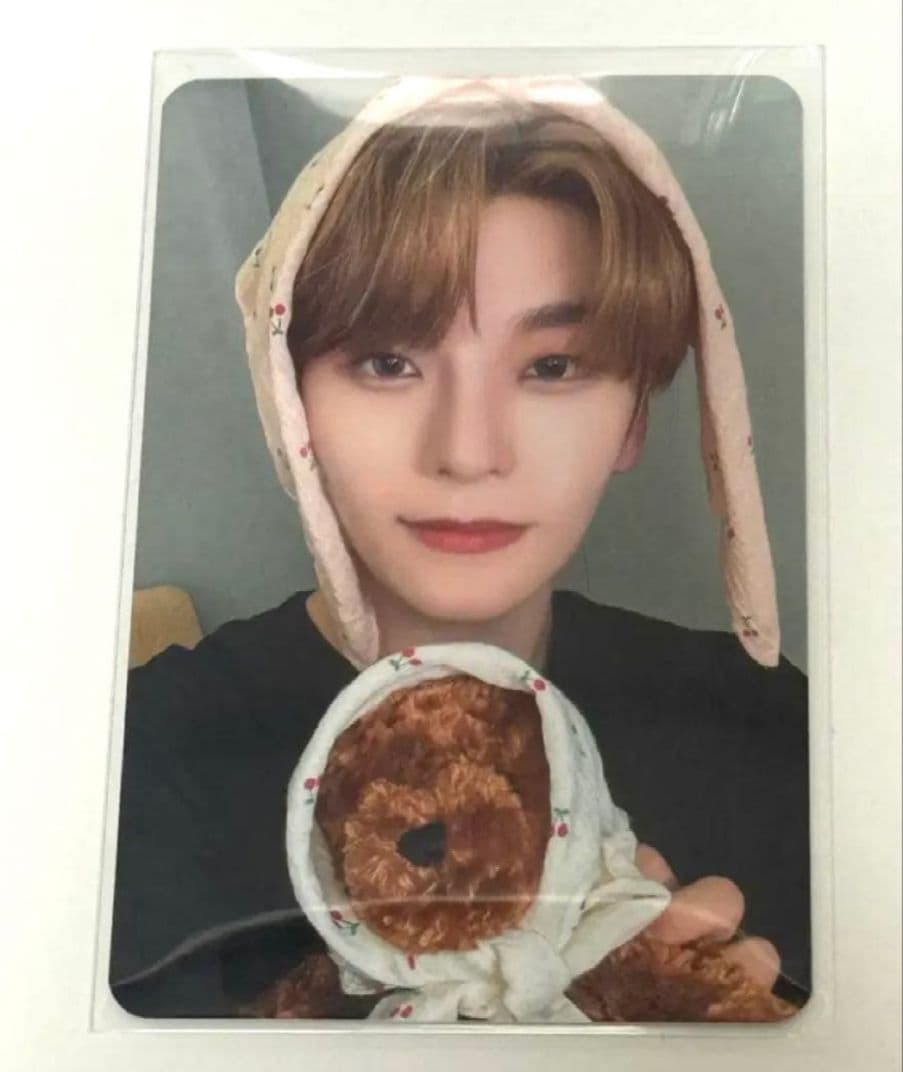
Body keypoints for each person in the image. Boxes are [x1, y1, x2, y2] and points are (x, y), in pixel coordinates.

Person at [109, 76, 809, 1019]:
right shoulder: (136, 765)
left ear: (634, 416)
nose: (469, 452)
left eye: (551, 366)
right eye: (387, 362)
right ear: (289, 405)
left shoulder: (767, 732)